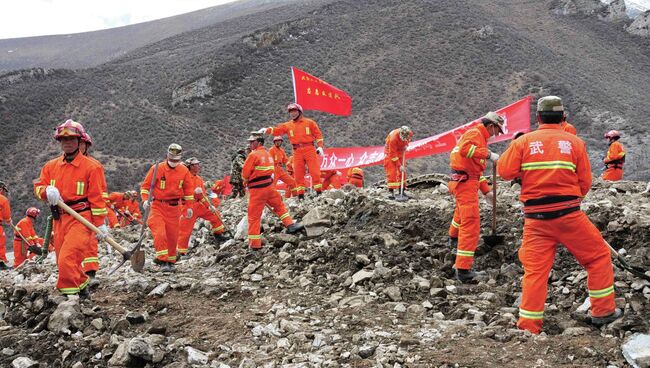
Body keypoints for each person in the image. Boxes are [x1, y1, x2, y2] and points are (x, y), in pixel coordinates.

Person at [498, 96, 620, 334]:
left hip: (535, 222)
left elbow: (504, 171)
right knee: (597, 258)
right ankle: (603, 312)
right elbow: (585, 183)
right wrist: (570, 200)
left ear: (537, 118)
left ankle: (529, 326)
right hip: (569, 216)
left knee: (535, 272)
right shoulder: (574, 143)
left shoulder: (524, 142)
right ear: (563, 118)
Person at [33, 119, 109, 297]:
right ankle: (82, 286)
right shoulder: (50, 166)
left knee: (68, 257)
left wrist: (100, 223)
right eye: (63, 140)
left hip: (81, 219)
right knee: (62, 260)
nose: (67, 143)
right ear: (59, 142)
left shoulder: (93, 167)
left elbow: (97, 198)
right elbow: (37, 188)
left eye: (71, 139)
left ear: (79, 141)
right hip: (60, 218)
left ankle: (69, 297)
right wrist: (45, 191)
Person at [448, 112, 503, 282]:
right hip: (464, 184)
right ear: (490, 126)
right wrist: (488, 155)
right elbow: (465, 150)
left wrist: (486, 191)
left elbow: (475, 171)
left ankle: (453, 239)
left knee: (461, 214)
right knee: (471, 224)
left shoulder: (479, 137)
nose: (495, 135)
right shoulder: (475, 134)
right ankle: (463, 270)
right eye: (496, 131)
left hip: (465, 182)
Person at [242, 133, 304, 249]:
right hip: (269, 188)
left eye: (252, 142)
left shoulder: (253, 155)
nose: (250, 144)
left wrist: (245, 182)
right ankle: (290, 224)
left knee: (254, 217)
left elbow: (245, 173)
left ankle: (255, 244)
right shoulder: (268, 154)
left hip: (257, 190)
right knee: (280, 206)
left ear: (259, 142)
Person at [140, 144, 195, 272]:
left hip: (175, 208)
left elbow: (188, 190)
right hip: (158, 206)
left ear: (180, 158)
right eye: (172, 159)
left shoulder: (184, 171)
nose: (174, 162)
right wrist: (145, 200)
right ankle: (163, 260)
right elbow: (145, 187)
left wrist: (189, 207)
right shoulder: (157, 169)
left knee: (172, 236)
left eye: (176, 160)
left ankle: (170, 261)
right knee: (159, 232)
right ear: (167, 156)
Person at [258, 103, 325, 199]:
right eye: (291, 112)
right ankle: (301, 196)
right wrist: (267, 130)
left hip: (309, 149)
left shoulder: (310, 123)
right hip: (297, 151)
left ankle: (319, 193)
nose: (292, 114)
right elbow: (278, 130)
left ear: (300, 111)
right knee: (298, 174)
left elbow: (318, 135)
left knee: (315, 172)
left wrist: (320, 146)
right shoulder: (288, 125)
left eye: (294, 111)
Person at [177, 157, 228, 257]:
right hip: (187, 206)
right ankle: (181, 252)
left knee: (215, 214)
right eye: (195, 164)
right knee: (185, 230)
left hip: (198, 204)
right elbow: (179, 193)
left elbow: (203, 196)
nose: (198, 166)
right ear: (190, 167)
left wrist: (209, 206)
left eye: (198, 164)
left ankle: (218, 234)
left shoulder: (199, 179)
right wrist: (193, 192)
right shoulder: (183, 179)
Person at [384, 126, 413, 199]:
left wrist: (406, 145)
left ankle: (402, 191)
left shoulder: (409, 133)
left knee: (403, 172)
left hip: (400, 151)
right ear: (401, 134)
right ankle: (391, 192)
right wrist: (399, 165)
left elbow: (408, 140)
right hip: (390, 152)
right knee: (392, 172)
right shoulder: (393, 139)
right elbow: (392, 154)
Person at [0, 182, 12, 270]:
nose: (4, 192)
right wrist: (8, 220)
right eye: (4, 190)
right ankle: (1, 263)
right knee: (0, 243)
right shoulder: (3, 199)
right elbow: (6, 216)